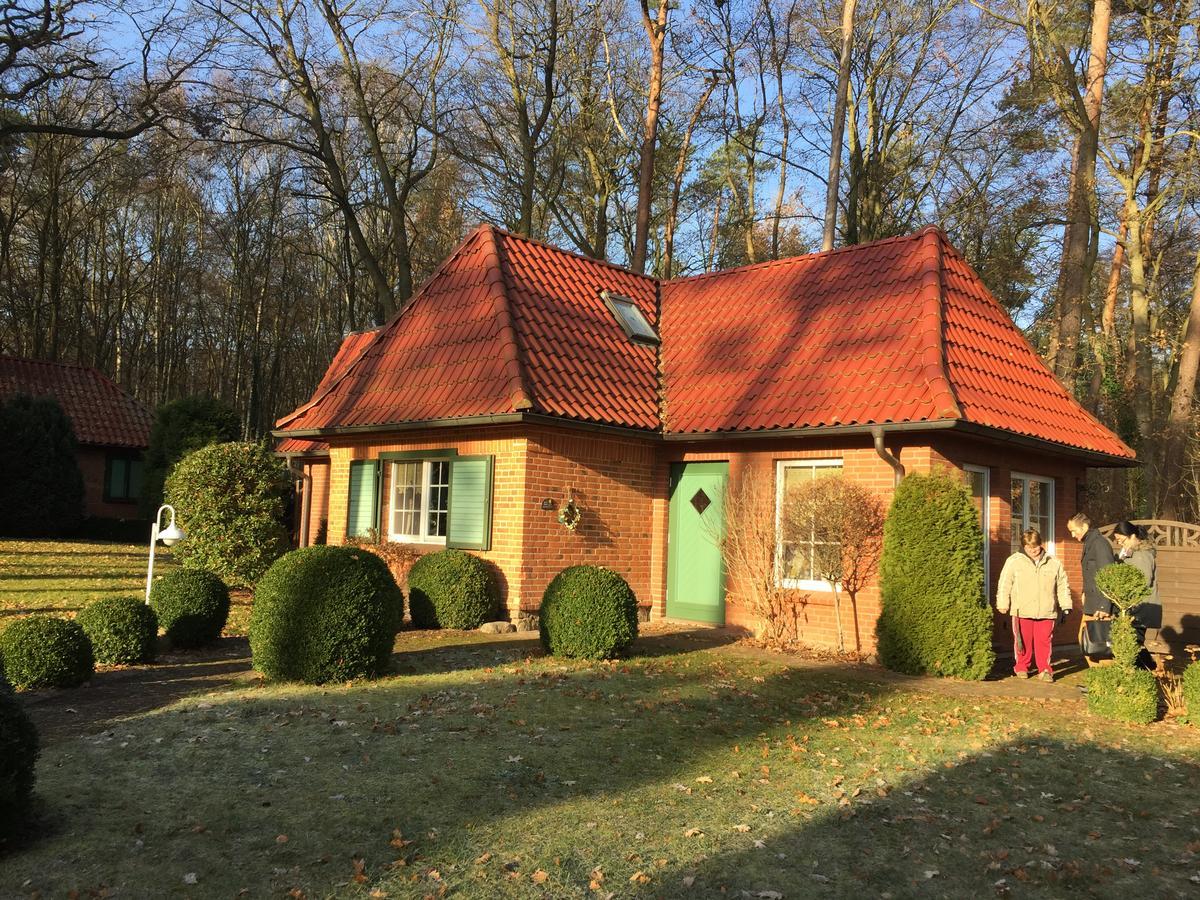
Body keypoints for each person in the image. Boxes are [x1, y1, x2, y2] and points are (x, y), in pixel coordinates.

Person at [996, 529, 1072, 681]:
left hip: (1046, 610)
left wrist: (1066, 605)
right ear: (1023, 546)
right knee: (1023, 642)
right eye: (1029, 548)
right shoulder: (1014, 561)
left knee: (1044, 642)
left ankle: (1044, 670)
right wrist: (1003, 602)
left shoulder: (1054, 562)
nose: (1033, 551)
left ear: (1041, 544)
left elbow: (1063, 584)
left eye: (1035, 547)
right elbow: (1004, 583)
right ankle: (1022, 667)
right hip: (1021, 609)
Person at [1068, 512, 1116, 665]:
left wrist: (1104, 605)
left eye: (1074, 530)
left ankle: (1106, 683)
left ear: (1085, 526)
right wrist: (1084, 592)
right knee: (1087, 641)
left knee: (1100, 644)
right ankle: (1098, 682)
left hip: (1099, 605)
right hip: (1091, 602)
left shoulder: (1099, 544)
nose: (1072, 534)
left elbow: (1107, 575)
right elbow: (1091, 573)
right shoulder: (1090, 542)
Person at [1112, 520, 1162, 634]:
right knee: (1132, 646)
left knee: (1134, 646)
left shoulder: (1142, 555)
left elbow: (1144, 582)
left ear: (1133, 536)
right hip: (1132, 608)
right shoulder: (1129, 553)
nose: (1119, 543)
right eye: (1117, 540)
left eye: (1122, 540)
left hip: (1139, 610)